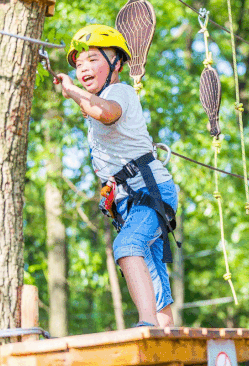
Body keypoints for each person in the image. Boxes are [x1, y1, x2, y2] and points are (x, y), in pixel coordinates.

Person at [55, 25, 177, 328]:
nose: (84, 67)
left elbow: (107, 113)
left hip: (151, 190)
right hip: (131, 198)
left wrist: (71, 91)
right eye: (79, 63)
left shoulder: (118, 91)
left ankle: (147, 324)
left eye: (93, 59)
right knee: (150, 269)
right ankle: (166, 331)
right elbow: (96, 113)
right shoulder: (98, 99)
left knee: (127, 247)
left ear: (116, 64)